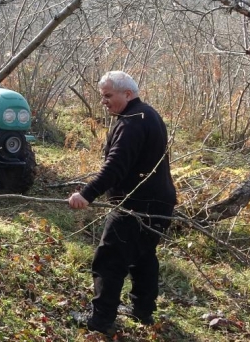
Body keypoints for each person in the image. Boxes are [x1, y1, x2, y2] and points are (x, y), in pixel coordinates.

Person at [68, 71, 177, 335]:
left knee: (108, 260)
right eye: (102, 96)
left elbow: (115, 166)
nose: (103, 101)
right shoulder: (146, 114)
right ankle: (142, 311)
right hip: (160, 202)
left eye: (108, 96)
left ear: (128, 94)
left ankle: (101, 320)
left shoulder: (132, 122)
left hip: (136, 205)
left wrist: (87, 194)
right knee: (143, 256)